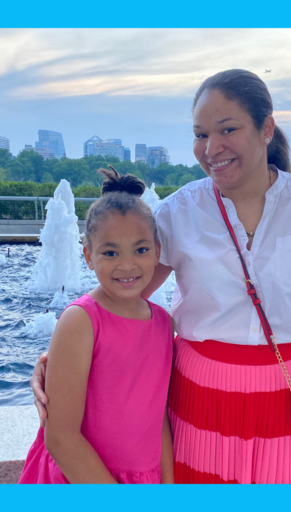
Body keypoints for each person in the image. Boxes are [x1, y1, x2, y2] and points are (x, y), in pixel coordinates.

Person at [31, 69, 291, 484]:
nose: (211, 148)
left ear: (266, 129)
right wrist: (58, 359)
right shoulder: (179, 212)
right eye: (200, 134)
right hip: (203, 400)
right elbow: (119, 303)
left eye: (227, 130)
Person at [19, 167, 174, 484]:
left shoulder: (162, 322)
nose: (127, 265)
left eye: (141, 250)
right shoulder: (81, 320)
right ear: (88, 256)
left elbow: (159, 420)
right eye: (110, 252)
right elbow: (61, 438)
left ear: (158, 252)